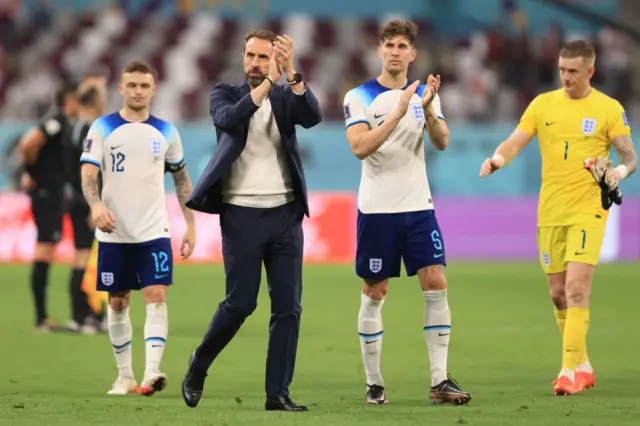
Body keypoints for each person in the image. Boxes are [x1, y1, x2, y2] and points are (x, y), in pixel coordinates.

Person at [479, 40, 637, 395]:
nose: (566, 77)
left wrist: (618, 174)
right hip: (550, 211)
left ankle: (568, 372)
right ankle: (582, 364)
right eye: (562, 70)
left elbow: (629, 156)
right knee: (557, 294)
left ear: (591, 71)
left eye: (573, 72)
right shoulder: (543, 104)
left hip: (588, 209)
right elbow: (516, 140)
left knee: (577, 288)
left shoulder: (608, 109)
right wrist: (498, 159)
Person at [181, 29, 321, 412]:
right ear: (242, 58)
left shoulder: (283, 92)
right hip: (241, 214)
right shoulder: (224, 93)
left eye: (263, 57)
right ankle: (199, 363)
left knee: (288, 308)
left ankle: (277, 395)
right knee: (241, 303)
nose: (256, 63)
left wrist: (292, 74)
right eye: (251, 56)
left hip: (286, 213)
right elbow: (231, 118)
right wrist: (269, 84)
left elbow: (312, 117)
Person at [343, 20, 472, 406]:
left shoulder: (424, 94)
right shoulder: (359, 96)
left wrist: (429, 108)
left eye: (402, 45)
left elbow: (442, 141)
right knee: (375, 291)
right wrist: (399, 113)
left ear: (413, 54)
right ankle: (374, 383)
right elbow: (360, 147)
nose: (396, 51)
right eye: (389, 45)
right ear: (379, 51)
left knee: (436, 282)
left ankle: (439, 382)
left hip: (418, 207)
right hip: (378, 209)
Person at [79, 60, 197, 396]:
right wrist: (96, 205)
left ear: (154, 89)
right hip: (114, 233)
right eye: (132, 85)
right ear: (121, 88)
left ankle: (152, 372)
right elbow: (88, 173)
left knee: (157, 296)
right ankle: (124, 376)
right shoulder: (102, 128)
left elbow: (182, 179)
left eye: (144, 86)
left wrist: (190, 224)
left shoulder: (167, 132)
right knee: (117, 302)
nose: (138, 91)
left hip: (154, 233)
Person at [19, 81, 78, 332]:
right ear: (70, 100)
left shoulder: (65, 124)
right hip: (46, 192)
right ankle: (41, 317)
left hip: (52, 192)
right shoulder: (57, 121)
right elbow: (28, 143)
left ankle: (42, 316)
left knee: (47, 249)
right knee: (44, 249)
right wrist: (32, 171)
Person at [65, 72, 109, 334]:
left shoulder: (81, 127)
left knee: (89, 258)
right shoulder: (87, 130)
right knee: (85, 257)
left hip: (83, 201)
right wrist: (92, 204)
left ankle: (90, 314)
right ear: (94, 100)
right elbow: (82, 172)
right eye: (102, 96)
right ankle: (84, 316)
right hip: (85, 203)